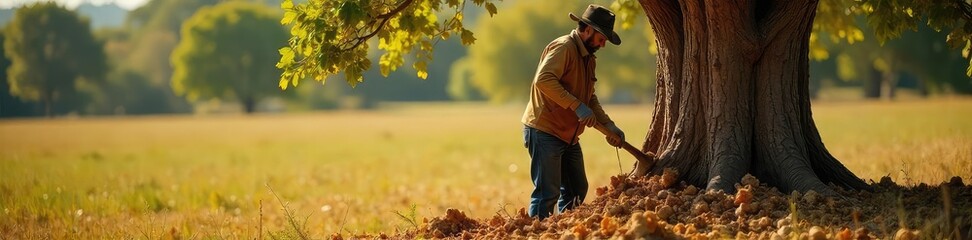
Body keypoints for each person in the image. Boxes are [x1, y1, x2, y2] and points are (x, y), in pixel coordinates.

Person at [521, 4, 626, 220]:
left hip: (569, 135)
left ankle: (563, 232)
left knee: (576, 191)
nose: (603, 44)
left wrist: (608, 125)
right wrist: (577, 106)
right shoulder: (564, 48)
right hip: (545, 131)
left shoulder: (588, 57)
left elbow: (589, 97)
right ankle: (536, 234)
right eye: (601, 38)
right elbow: (543, 80)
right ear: (587, 29)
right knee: (546, 195)